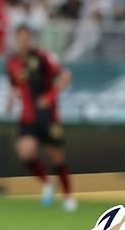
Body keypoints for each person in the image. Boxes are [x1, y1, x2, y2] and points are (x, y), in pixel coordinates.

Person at [5, 25, 77, 212]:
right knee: (25, 152)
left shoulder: (43, 57)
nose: (22, 41)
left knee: (57, 157)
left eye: (25, 38)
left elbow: (65, 76)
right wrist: (11, 98)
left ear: (31, 39)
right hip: (27, 116)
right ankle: (47, 182)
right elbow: (15, 84)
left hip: (47, 115)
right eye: (19, 38)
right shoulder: (12, 62)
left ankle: (69, 197)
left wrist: (49, 97)